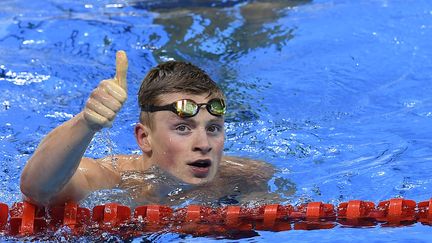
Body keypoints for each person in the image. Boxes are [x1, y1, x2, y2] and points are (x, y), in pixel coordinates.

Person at [20, 50, 276, 207]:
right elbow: (37, 190)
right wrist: (86, 122)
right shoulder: (112, 180)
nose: (204, 144)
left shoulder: (246, 176)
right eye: (183, 128)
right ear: (144, 138)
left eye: (213, 128)